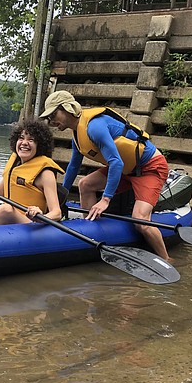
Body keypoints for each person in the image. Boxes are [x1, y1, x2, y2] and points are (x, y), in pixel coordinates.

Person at [39, 90, 171, 261]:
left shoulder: (94, 127)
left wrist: (105, 199)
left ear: (68, 108)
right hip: (125, 169)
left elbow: (116, 162)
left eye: (54, 114)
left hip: (148, 169)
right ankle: (90, 232)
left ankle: (167, 259)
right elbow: (73, 166)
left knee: (140, 221)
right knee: (85, 185)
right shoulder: (77, 134)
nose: (51, 121)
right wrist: (61, 196)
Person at [0, 119, 65, 226]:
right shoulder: (15, 162)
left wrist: (39, 215)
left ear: (40, 145)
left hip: (27, 222)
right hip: (8, 215)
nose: (24, 143)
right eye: (21, 138)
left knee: (6, 209)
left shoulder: (45, 172)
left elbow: (56, 213)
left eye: (31, 140)